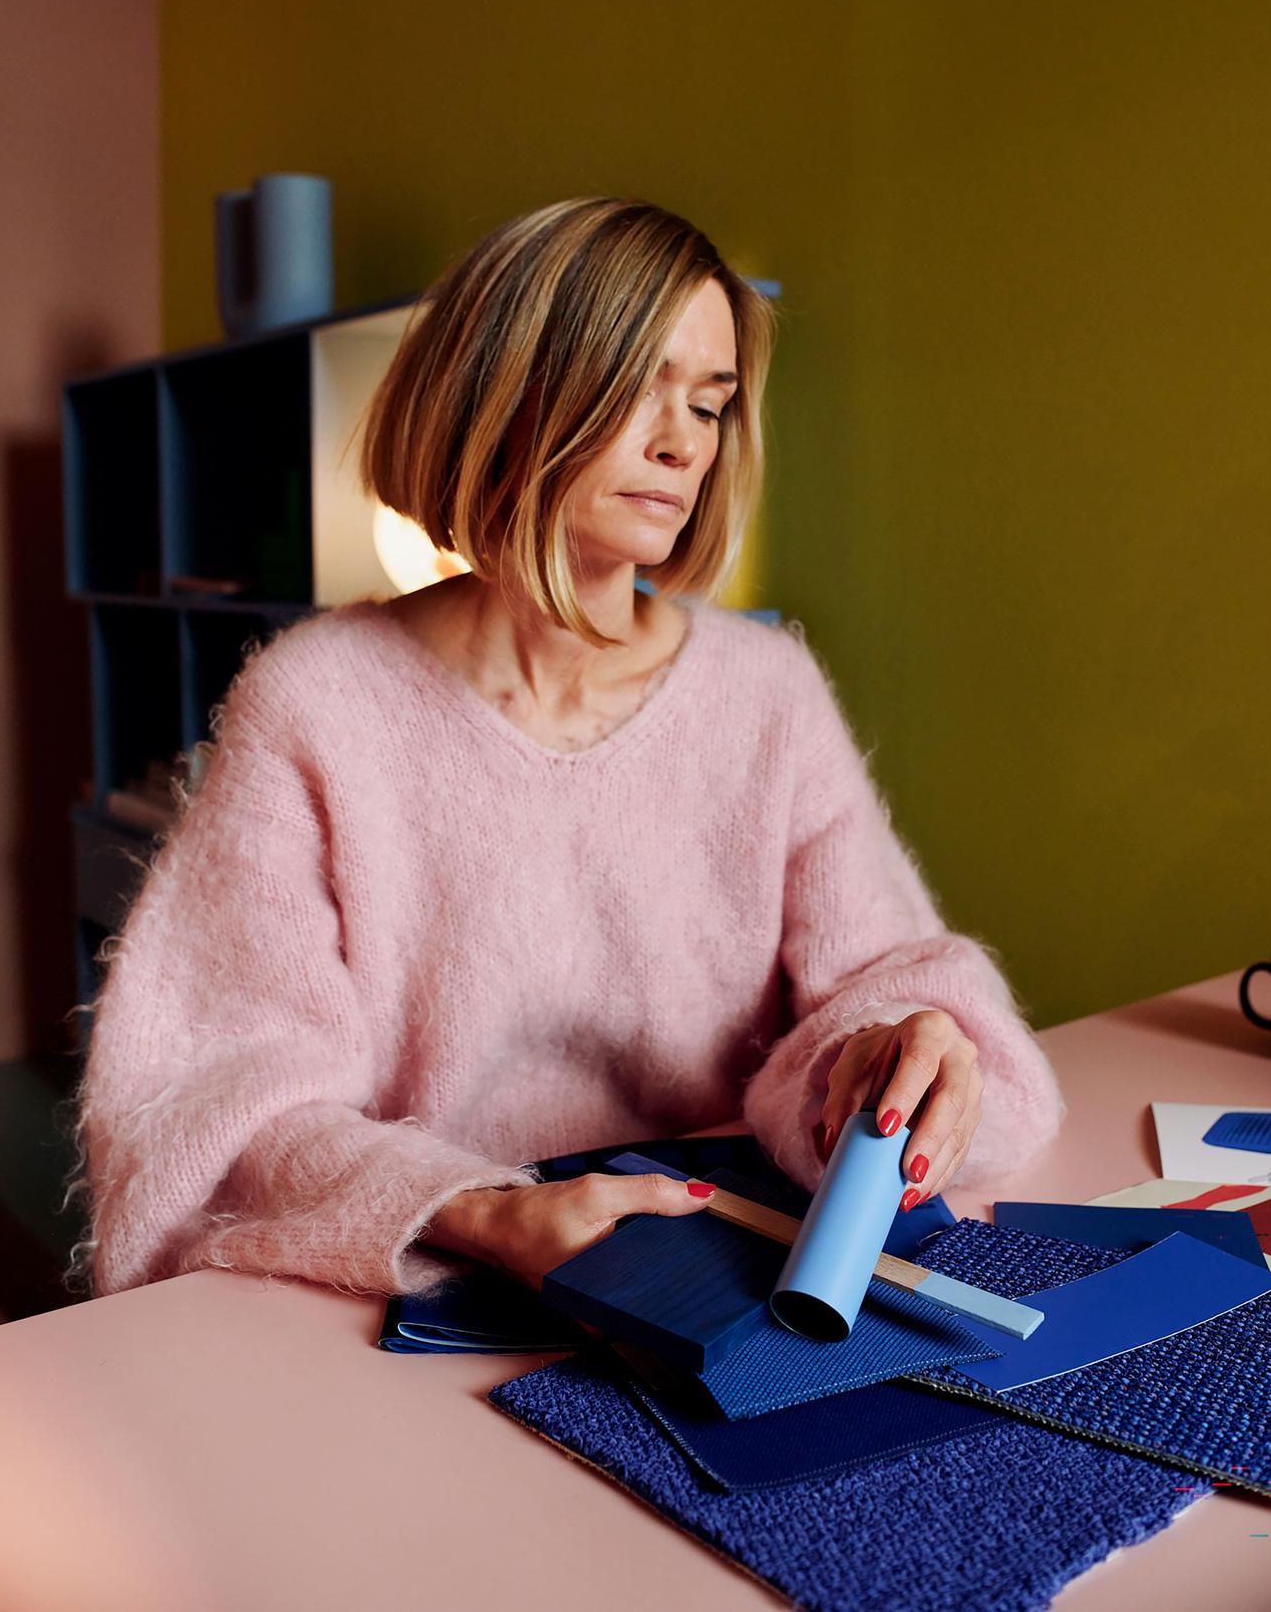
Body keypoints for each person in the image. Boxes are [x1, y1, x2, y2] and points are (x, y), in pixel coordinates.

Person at [65, 196, 1065, 1305]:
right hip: (426, 1271)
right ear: (504, 391)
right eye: (641, 385)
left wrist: (896, 1052)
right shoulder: (317, 699)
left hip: (723, 1262)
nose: (683, 443)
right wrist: (484, 1212)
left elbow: (874, 978)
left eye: (710, 403)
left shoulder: (764, 690)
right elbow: (224, 1089)